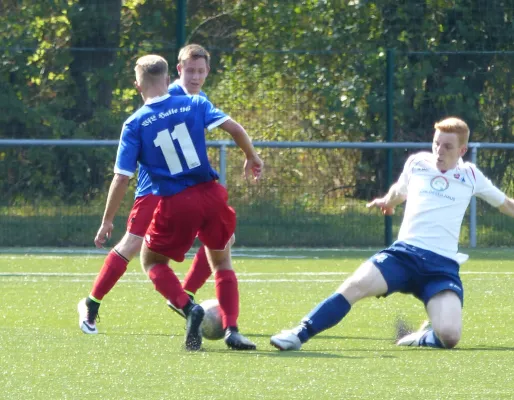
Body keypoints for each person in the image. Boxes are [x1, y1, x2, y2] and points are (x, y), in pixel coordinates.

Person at [270, 117, 514, 351]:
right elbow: (400, 190)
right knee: (356, 285)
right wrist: (388, 202)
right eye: (436, 143)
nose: (439, 150)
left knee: (450, 336)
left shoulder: (471, 176)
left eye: (447, 146)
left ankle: (424, 337)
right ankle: (298, 334)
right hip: (403, 256)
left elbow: (506, 205)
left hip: (441, 268)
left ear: (462, 150)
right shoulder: (418, 163)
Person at [78, 53, 263, 351]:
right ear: (171, 77)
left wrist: (106, 219)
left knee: (150, 259)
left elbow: (122, 177)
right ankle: (231, 329)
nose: (195, 77)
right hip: (211, 192)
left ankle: (185, 303)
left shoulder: (135, 123)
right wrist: (252, 156)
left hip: (175, 199)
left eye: (200, 71)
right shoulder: (194, 103)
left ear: (137, 86)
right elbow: (235, 129)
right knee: (223, 257)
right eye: (190, 71)